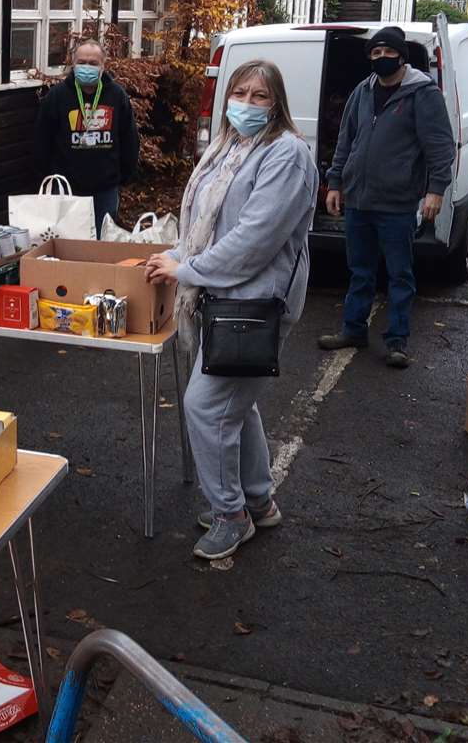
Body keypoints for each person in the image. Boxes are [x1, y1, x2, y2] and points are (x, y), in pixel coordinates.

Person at [145, 59, 317, 561]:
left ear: (277, 104)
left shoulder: (286, 155)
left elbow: (253, 240)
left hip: (257, 302)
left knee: (208, 406)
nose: (246, 103)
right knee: (235, 405)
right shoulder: (227, 148)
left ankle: (231, 516)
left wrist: (188, 270)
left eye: (259, 96)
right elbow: (207, 221)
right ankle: (259, 503)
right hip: (224, 300)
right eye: (239, 92)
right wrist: (174, 255)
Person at [318, 25, 456, 369]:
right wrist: (335, 183)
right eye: (376, 53)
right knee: (360, 271)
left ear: (402, 56)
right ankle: (353, 330)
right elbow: (346, 142)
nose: (382, 58)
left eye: (388, 52)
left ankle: (397, 341)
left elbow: (440, 148)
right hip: (359, 201)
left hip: (397, 203)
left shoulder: (422, 94)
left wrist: (435, 190)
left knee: (399, 275)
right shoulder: (362, 92)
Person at [33, 39, 138, 236]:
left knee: (101, 243)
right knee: (67, 245)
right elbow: (42, 141)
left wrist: (120, 178)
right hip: (66, 191)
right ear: (73, 64)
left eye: (93, 63)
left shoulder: (117, 96)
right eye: (82, 62)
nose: (86, 67)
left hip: (105, 190)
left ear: (103, 66)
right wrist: (47, 176)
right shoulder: (57, 96)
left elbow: (129, 140)